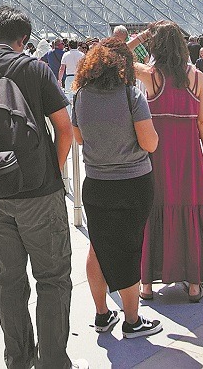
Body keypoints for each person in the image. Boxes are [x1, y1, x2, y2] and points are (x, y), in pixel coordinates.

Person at [0, 6, 83, 369]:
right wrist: (53, 174)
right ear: (22, 40)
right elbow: (64, 129)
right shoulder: (35, 69)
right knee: (52, 279)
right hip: (39, 192)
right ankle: (53, 362)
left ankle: (17, 359)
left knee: (8, 280)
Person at [71, 38, 162, 338]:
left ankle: (102, 314)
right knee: (129, 248)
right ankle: (132, 320)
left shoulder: (80, 96)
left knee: (97, 247)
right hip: (132, 182)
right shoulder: (130, 94)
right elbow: (149, 143)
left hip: (96, 183)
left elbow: (79, 138)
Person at [127, 23, 203, 301]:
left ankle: (146, 285)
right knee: (190, 208)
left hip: (157, 153)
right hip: (188, 153)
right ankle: (193, 285)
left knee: (154, 207)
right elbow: (202, 122)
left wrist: (141, 36)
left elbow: (117, 55)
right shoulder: (197, 77)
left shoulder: (150, 75)